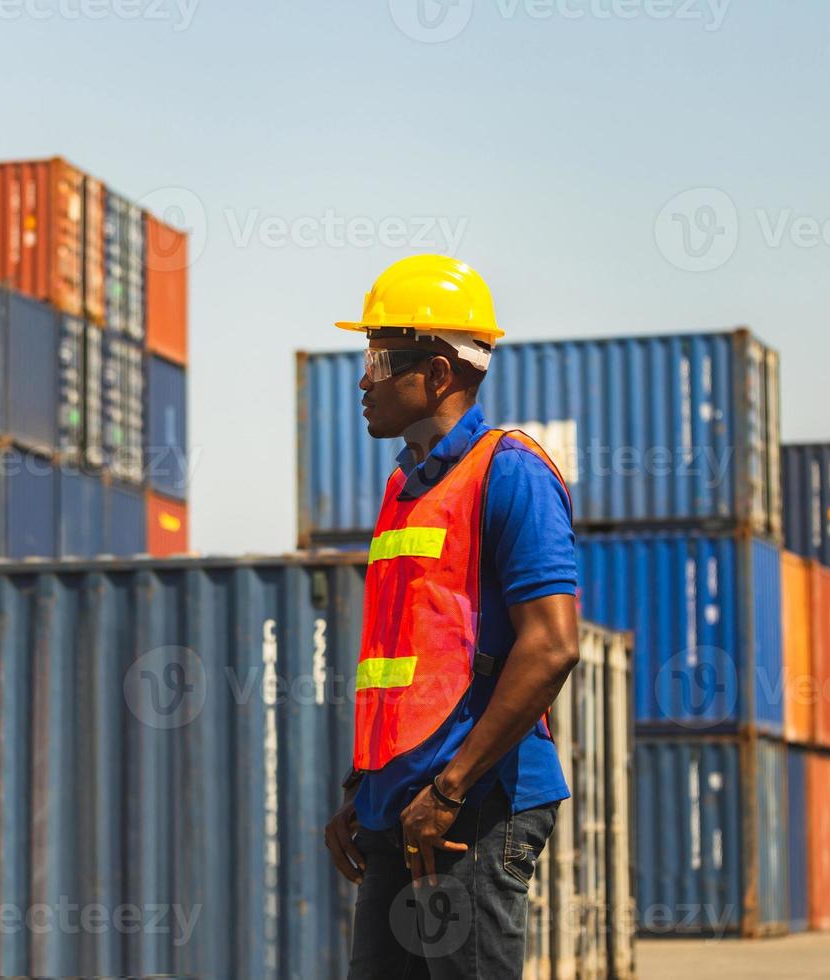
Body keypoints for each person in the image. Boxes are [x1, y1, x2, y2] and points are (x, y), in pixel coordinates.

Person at [322, 255, 581, 980]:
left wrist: (450, 787)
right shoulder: (405, 486)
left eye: (379, 359)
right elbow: (411, 664)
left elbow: (553, 646)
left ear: (437, 373)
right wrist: (360, 785)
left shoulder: (511, 471)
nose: (364, 380)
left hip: (473, 805)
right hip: (399, 805)